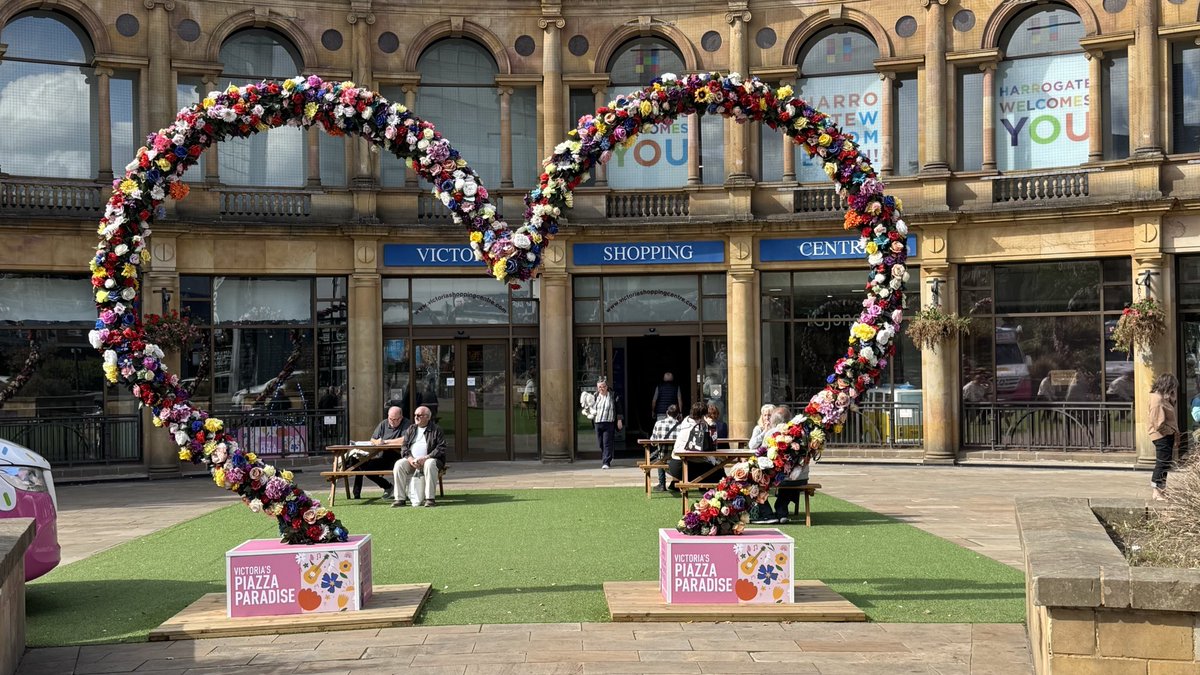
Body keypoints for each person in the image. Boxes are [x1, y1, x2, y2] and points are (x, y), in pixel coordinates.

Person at [392, 405, 448, 507]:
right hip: (413, 460)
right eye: (415, 415)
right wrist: (410, 459)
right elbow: (404, 447)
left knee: (430, 464)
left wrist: (426, 457)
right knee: (399, 464)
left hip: (430, 460)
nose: (416, 417)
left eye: (419, 415)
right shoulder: (411, 429)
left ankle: (430, 499)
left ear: (428, 417)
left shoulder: (436, 430)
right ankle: (399, 499)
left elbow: (441, 448)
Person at [356, 406, 410, 500]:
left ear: (400, 418)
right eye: (390, 419)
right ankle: (388, 487)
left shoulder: (407, 424)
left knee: (399, 468)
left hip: (400, 457)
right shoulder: (383, 424)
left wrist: (386, 442)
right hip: (383, 457)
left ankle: (401, 493)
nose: (392, 421)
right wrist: (377, 442)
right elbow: (373, 439)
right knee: (367, 469)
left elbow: (405, 440)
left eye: (395, 419)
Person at [770, 406, 809, 524]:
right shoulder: (802, 433)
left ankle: (768, 512)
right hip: (803, 478)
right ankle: (782, 510)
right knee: (788, 477)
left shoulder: (772, 434)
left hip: (783, 479)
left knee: (765, 477)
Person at [667, 401, 714, 492]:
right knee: (716, 471)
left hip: (675, 464)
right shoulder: (695, 428)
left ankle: (708, 493)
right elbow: (704, 447)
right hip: (682, 465)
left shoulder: (686, 421)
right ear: (702, 416)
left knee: (713, 467)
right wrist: (710, 425)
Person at [1147, 373, 1180, 502]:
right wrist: (1169, 432)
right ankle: (1156, 491)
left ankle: (1161, 489)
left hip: (1165, 435)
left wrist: (1172, 397)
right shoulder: (1157, 399)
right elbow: (1157, 423)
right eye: (1172, 387)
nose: (1173, 390)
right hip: (1162, 436)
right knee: (1162, 463)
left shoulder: (1162, 398)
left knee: (1165, 463)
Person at [649, 404, 683, 492]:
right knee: (674, 458)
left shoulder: (659, 423)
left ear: (667, 413)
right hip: (677, 456)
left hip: (663, 455)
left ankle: (662, 484)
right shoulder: (682, 426)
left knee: (660, 457)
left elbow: (653, 442)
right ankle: (675, 482)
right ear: (678, 415)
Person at [590, 376, 623, 469]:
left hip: (609, 422)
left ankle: (606, 462)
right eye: (600, 387)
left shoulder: (613, 395)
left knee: (607, 443)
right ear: (597, 388)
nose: (602, 388)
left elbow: (619, 408)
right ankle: (608, 456)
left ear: (607, 387)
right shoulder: (595, 396)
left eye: (603, 386)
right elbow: (590, 408)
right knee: (601, 443)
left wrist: (619, 420)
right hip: (597, 423)